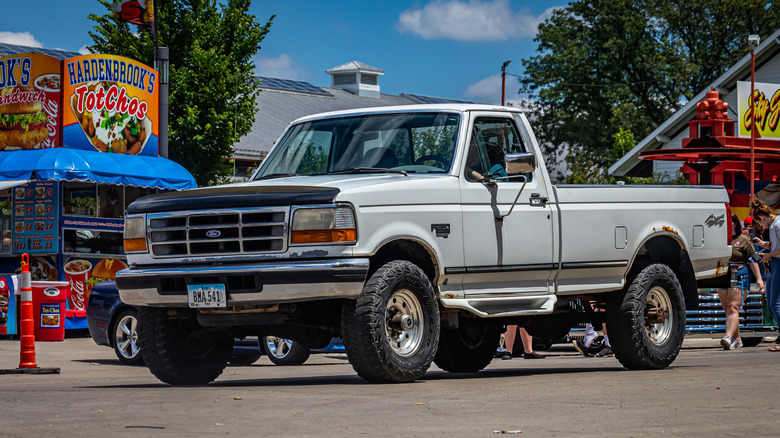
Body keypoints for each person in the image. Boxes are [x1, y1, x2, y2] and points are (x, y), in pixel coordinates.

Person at [717, 214, 764, 350]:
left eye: (729, 222)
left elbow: (753, 259)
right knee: (728, 310)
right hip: (722, 275)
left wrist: (759, 279)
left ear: (735, 224)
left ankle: (727, 336)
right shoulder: (719, 239)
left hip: (739, 274)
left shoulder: (743, 240)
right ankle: (737, 339)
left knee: (733, 307)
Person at [751, 206, 780, 351]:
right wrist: (762, 245)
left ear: (761, 218)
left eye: (758, 223)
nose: (761, 227)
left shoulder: (777, 225)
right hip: (774, 264)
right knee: (771, 305)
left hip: (778, 264)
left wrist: (769, 255)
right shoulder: (774, 225)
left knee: (775, 305)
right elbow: (775, 246)